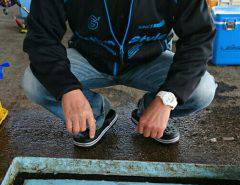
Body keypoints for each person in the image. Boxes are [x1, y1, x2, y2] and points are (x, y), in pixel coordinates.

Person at [20, 0, 217, 148]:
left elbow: (199, 38)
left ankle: (148, 114)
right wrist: (67, 89)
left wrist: (167, 98)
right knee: (34, 83)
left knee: (202, 90)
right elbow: (41, 38)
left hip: (150, 60)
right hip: (90, 58)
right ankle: (97, 116)